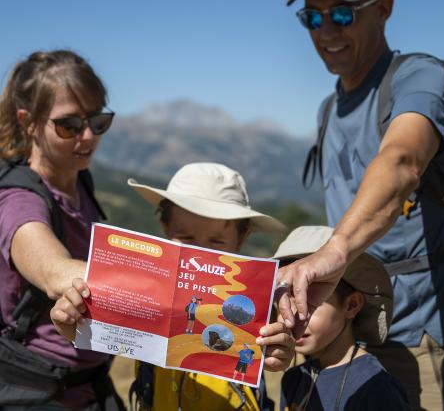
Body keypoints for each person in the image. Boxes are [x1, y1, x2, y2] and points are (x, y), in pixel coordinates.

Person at [277, 0, 444, 410]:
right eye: (312, 18)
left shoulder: (419, 78)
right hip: (350, 335)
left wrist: (334, 251)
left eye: (342, 13)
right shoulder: (329, 108)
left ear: (384, 8)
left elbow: (401, 162)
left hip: (426, 337)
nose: (326, 31)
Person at [51, 162, 294, 411]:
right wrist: (74, 326)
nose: (199, 252)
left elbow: (276, 351)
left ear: (242, 239)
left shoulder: (257, 303)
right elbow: (109, 334)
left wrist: (278, 353)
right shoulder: (146, 290)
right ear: (167, 228)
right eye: (187, 238)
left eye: (217, 241)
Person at [0, 50, 124, 410]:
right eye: (68, 125)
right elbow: (55, 274)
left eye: (98, 121)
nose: (87, 137)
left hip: (88, 385)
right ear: (28, 122)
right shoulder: (18, 200)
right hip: (34, 390)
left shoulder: (79, 178)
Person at [275, 226, 409, 410]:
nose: (293, 318)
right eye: (283, 303)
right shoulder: (293, 380)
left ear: (352, 305)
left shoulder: (375, 387)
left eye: (311, 302)